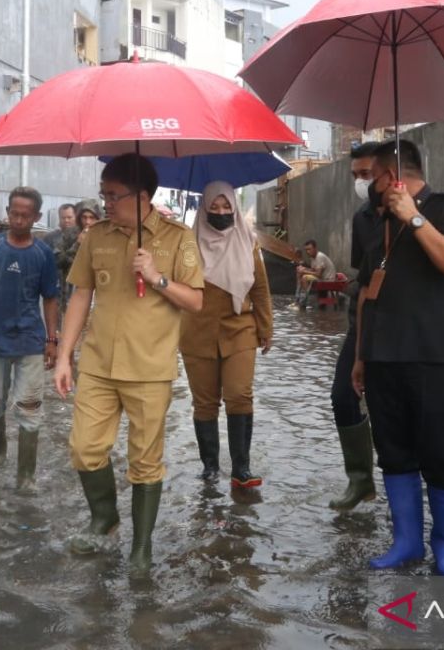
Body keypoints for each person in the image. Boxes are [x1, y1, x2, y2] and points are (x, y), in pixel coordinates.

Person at [53, 153, 204, 574]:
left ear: (141, 197)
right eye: (103, 195)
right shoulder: (96, 236)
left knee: (145, 460)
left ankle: (141, 545)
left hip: (150, 366)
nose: (106, 204)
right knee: (84, 450)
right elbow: (80, 294)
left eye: (113, 196)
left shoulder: (178, 237)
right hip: (99, 363)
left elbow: (195, 300)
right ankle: (105, 518)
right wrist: (64, 356)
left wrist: (156, 276)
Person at [351, 140, 444, 576]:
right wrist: (361, 356)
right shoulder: (376, 225)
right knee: (394, 453)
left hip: (430, 356)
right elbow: (367, 293)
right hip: (383, 358)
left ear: (393, 177)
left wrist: (415, 217)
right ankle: (406, 542)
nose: (369, 186)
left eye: (373, 177)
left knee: (440, 453)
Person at [0, 186, 61, 491]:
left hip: (30, 341)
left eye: (25, 215)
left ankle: (26, 476)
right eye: (13, 213)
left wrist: (51, 339)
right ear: (7, 213)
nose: (18, 220)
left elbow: (50, 298)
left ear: (36, 217)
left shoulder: (43, 254)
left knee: (30, 409)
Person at [180, 181, 273, 487]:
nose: (221, 213)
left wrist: (265, 327)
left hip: (240, 326)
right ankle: (209, 467)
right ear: (204, 210)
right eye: (214, 208)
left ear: (234, 208)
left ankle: (241, 469)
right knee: (204, 402)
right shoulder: (187, 243)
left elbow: (260, 288)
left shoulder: (248, 241)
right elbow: (174, 289)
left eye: (226, 207)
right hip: (197, 330)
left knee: (239, 395)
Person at [327, 141, 380, 510]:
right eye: (355, 176)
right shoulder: (362, 218)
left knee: (394, 408)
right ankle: (360, 479)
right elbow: (365, 272)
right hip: (361, 321)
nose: (360, 182)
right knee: (342, 396)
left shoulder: (422, 213)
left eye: (366, 174)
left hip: (402, 326)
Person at [53, 199, 101, 313]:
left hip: (98, 298)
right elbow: (57, 261)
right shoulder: (70, 234)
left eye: (92, 217)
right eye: (84, 217)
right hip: (71, 295)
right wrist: (77, 244)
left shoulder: (105, 236)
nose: (88, 222)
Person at [290, 239, 336, 310]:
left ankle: (303, 303)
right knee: (299, 273)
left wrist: (305, 271)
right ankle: (297, 300)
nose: (308, 252)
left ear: (315, 248)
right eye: (306, 250)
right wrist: (303, 269)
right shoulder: (312, 258)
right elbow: (313, 270)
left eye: (309, 249)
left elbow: (318, 274)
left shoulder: (320, 257)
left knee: (304, 277)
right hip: (321, 278)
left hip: (327, 280)